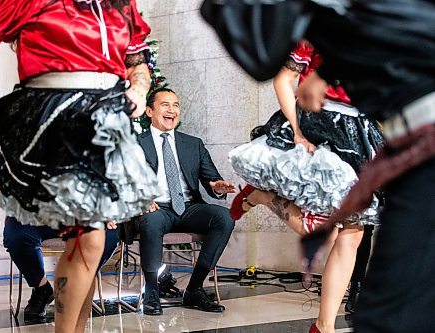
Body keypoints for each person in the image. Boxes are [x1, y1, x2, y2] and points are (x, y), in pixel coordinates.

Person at [0, 1, 160, 332]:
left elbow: (138, 63)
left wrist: (138, 92)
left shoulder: (121, 4)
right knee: (89, 237)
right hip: (53, 118)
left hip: (103, 121)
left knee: (89, 239)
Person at [292, 2, 435, 332]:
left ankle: (326, 324)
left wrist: (325, 73)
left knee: (387, 290)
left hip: (404, 140)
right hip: (344, 128)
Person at [228, 41, 383, 333]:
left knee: (352, 233)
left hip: (359, 131)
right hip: (322, 121)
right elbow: (284, 80)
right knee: (324, 230)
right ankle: (261, 196)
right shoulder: (318, 24)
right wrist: (297, 131)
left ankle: (324, 327)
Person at [136, 87, 236, 315]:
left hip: (188, 208)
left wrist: (218, 186)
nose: (172, 110)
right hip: (155, 208)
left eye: (176, 105)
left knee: (225, 217)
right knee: (151, 220)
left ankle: (195, 288)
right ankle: (151, 291)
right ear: (149, 111)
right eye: (165, 105)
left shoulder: (193, 144)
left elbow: (212, 179)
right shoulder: (135, 143)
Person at [3, 216, 120, 320]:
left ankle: (77, 287)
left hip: (83, 215)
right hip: (38, 214)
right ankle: (42, 289)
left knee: (108, 235)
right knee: (16, 235)